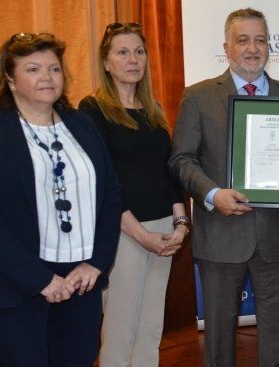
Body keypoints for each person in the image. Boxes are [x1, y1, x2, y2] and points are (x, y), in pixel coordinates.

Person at [0, 33, 121, 366]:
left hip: (78, 283)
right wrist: (39, 279)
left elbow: (111, 195)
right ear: (10, 81)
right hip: (11, 286)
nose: (47, 77)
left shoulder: (82, 124)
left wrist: (97, 262)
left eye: (54, 69)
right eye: (33, 69)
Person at [168, 8, 279, 367]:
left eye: (260, 40)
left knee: (277, 336)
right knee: (219, 339)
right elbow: (182, 160)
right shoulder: (199, 97)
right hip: (220, 236)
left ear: (268, 46)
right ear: (227, 47)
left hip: (273, 236)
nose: (252, 48)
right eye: (243, 40)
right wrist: (212, 194)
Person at [78, 22, 187, 367]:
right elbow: (101, 181)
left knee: (151, 328)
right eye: (123, 52)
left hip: (164, 229)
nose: (133, 59)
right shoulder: (92, 109)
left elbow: (168, 172)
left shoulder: (152, 107)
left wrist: (181, 223)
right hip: (123, 231)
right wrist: (140, 234)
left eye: (139, 51)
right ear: (106, 62)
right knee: (120, 329)